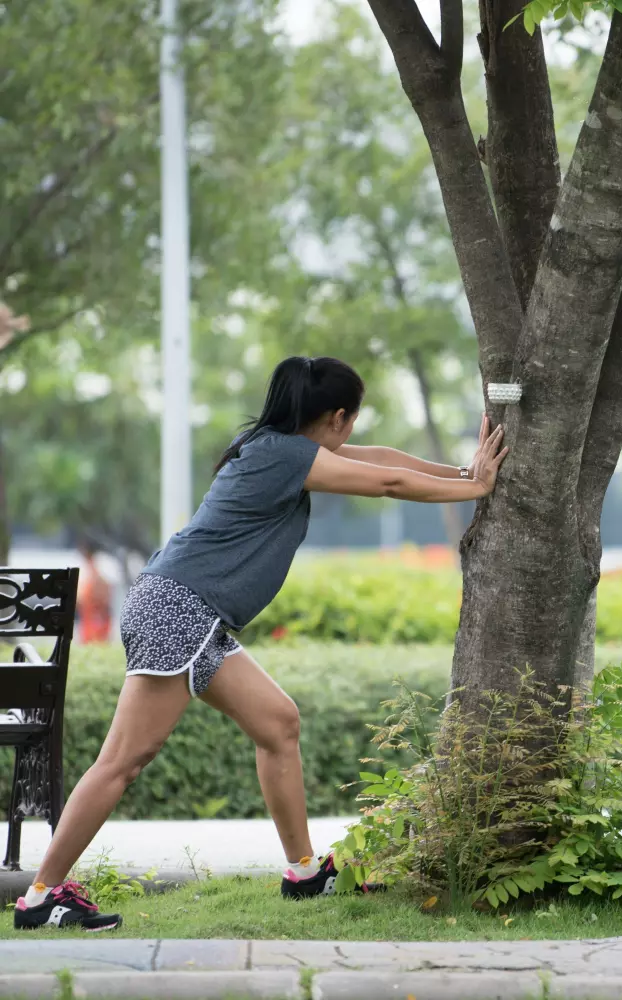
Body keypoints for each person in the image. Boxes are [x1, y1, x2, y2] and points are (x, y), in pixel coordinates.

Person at [14, 356, 508, 931]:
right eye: (352, 419)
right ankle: (41, 896)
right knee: (123, 761)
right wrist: (475, 487)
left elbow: (380, 460)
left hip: (190, 611)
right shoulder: (284, 456)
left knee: (278, 723)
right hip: (178, 609)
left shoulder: (282, 448)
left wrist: (462, 471)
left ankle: (304, 873)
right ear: (337, 417)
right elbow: (387, 483)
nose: (352, 432)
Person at [76, 541, 112, 644]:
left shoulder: (99, 564)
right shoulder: (97, 564)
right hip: (90, 605)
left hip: (94, 604)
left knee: (95, 633)